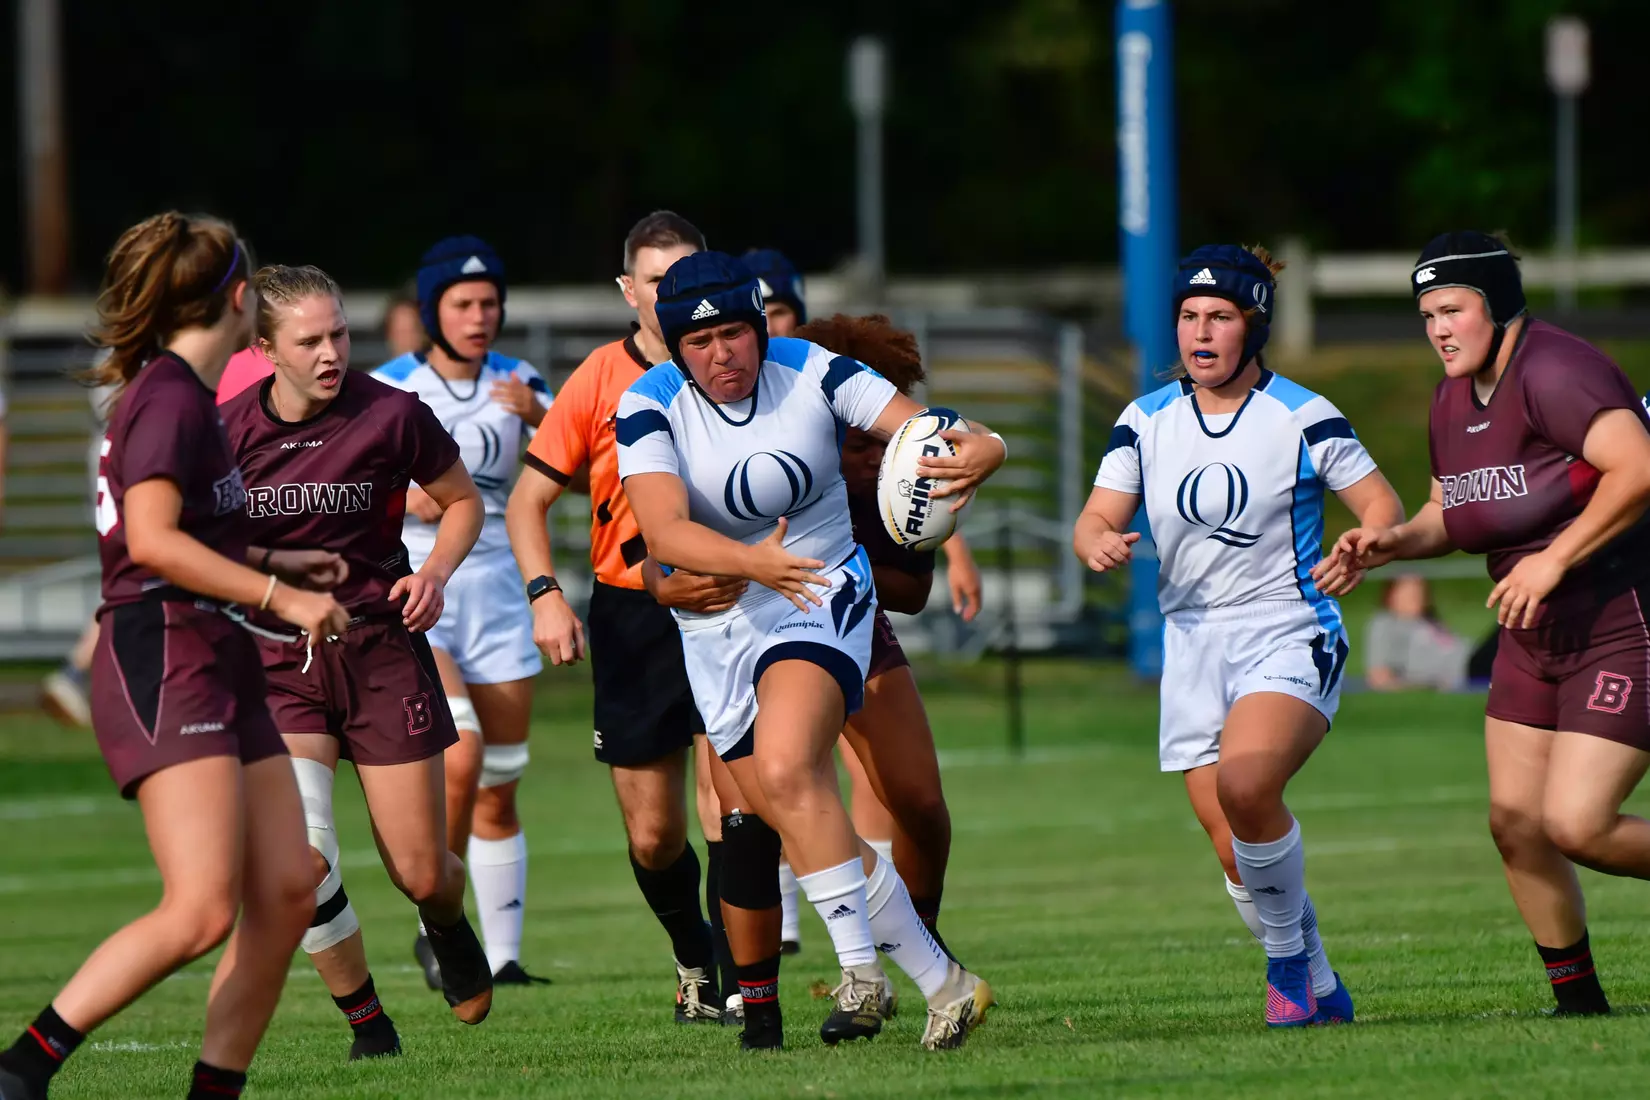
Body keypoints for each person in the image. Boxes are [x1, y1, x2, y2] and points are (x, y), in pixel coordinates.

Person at [0, 213, 348, 1100]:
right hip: (164, 651)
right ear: (240, 300)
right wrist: (281, 595)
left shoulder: (181, 393)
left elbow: (183, 528)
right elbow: (150, 542)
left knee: (285, 888)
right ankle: (20, 1069)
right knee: (199, 910)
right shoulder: (167, 395)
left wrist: (270, 558)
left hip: (215, 649)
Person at [617, 250, 1001, 1051]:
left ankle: (862, 974)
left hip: (820, 589)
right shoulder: (646, 406)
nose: (722, 355)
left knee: (792, 769)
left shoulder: (813, 370)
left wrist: (983, 448)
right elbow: (664, 532)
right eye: (700, 341)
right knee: (789, 810)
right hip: (719, 624)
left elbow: (927, 428)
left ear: (758, 329)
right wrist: (750, 561)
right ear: (675, 348)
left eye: (734, 334)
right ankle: (946, 983)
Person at [1074, 244, 1404, 1027]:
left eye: (1219, 316)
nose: (1200, 332)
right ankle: (1320, 984)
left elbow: (1384, 507)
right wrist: (1095, 541)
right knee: (1232, 850)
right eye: (1189, 316)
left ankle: (1286, 963)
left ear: (1251, 327)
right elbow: (1096, 518)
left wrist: (1364, 545)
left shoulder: (1302, 414)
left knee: (1248, 787)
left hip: (1287, 630)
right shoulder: (1144, 420)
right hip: (1192, 645)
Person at [1321, 231, 1650, 1017]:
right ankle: (1578, 1005)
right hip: (1529, 637)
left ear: (1497, 307)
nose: (1438, 328)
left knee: (1579, 823)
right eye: (1427, 313)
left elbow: (1638, 467)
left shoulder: (1557, 371)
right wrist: (1391, 543)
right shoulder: (1450, 396)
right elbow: (1450, 511)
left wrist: (1555, 558)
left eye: (1453, 310)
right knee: (1514, 822)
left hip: (1618, 619)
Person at [221, 263, 497, 1054]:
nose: (330, 352)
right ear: (267, 348)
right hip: (279, 665)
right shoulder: (228, 433)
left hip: (379, 653)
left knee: (421, 870)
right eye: (309, 340)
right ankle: (369, 1025)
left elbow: (464, 501)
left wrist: (434, 572)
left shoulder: (393, 415)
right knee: (300, 855)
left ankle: (444, 920)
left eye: (338, 333)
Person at [505, 211, 731, 1022]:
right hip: (633, 618)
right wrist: (546, 596)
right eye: (658, 282)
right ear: (629, 290)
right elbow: (528, 501)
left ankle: (746, 977)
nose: (674, 296)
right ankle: (694, 957)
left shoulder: (740, 369)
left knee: (730, 805)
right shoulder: (601, 376)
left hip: (727, 602)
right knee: (653, 836)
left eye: (689, 277)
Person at [743, 252, 984, 954]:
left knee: (922, 805)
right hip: (757, 633)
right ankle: (747, 978)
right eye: (860, 439)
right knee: (756, 807)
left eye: (884, 438)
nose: (876, 453)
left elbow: (912, 590)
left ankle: (924, 933)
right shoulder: (773, 461)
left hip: (856, 626)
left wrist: (851, 570)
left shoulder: (898, 477)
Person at [373, 237, 551, 987]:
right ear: (430, 312)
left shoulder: (521, 381)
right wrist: (402, 501)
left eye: (490, 303)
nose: (481, 317)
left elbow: (576, 472)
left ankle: (504, 958)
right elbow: (346, 483)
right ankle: (437, 918)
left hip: (502, 594)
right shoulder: (387, 389)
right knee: (463, 754)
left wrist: (541, 413)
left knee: (501, 783)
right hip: (422, 590)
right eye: (463, 304)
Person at [1364, 574, 1470, 691]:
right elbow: (1378, 677)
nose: (1416, 595)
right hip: (1467, 670)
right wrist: (1425, 685)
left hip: (1471, 659)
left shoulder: (1429, 620)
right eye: (1408, 591)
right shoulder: (1384, 623)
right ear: (1391, 595)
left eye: (1419, 590)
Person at [382, 282, 425, 358]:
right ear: (389, 335)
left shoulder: (438, 368)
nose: (407, 341)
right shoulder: (378, 370)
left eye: (412, 331)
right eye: (401, 332)